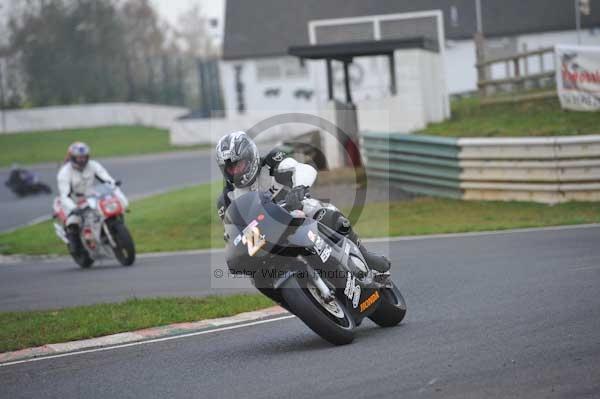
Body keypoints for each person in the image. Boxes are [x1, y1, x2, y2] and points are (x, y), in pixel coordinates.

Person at [215, 131, 390, 275]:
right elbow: (232, 233)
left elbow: (303, 169)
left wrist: (299, 188)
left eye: (239, 164)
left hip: (295, 212)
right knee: (255, 270)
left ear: (250, 156)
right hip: (266, 238)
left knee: (325, 212)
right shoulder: (227, 199)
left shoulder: (272, 162)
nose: (236, 171)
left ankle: (364, 256)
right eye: (231, 168)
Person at [56, 142, 127, 254]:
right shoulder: (64, 173)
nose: (82, 160)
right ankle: (76, 247)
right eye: (79, 157)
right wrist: (73, 208)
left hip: (91, 197)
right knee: (73, 222)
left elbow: (106, 178)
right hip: (73, 201)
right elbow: (64, 195)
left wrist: (113, 185)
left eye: (84, 157)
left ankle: (113, 232)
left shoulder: (93, 165)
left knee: (111, 210)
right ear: (72, 157)